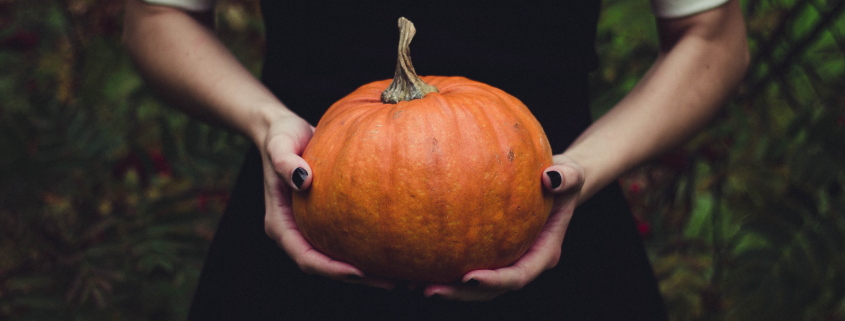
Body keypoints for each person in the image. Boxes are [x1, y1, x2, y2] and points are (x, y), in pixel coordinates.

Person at [123, 0, 748, 319]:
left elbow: (713, 36)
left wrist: (583, 168)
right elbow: (157, 16)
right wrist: (267, 125)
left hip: (551, 214)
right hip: (306, 204)